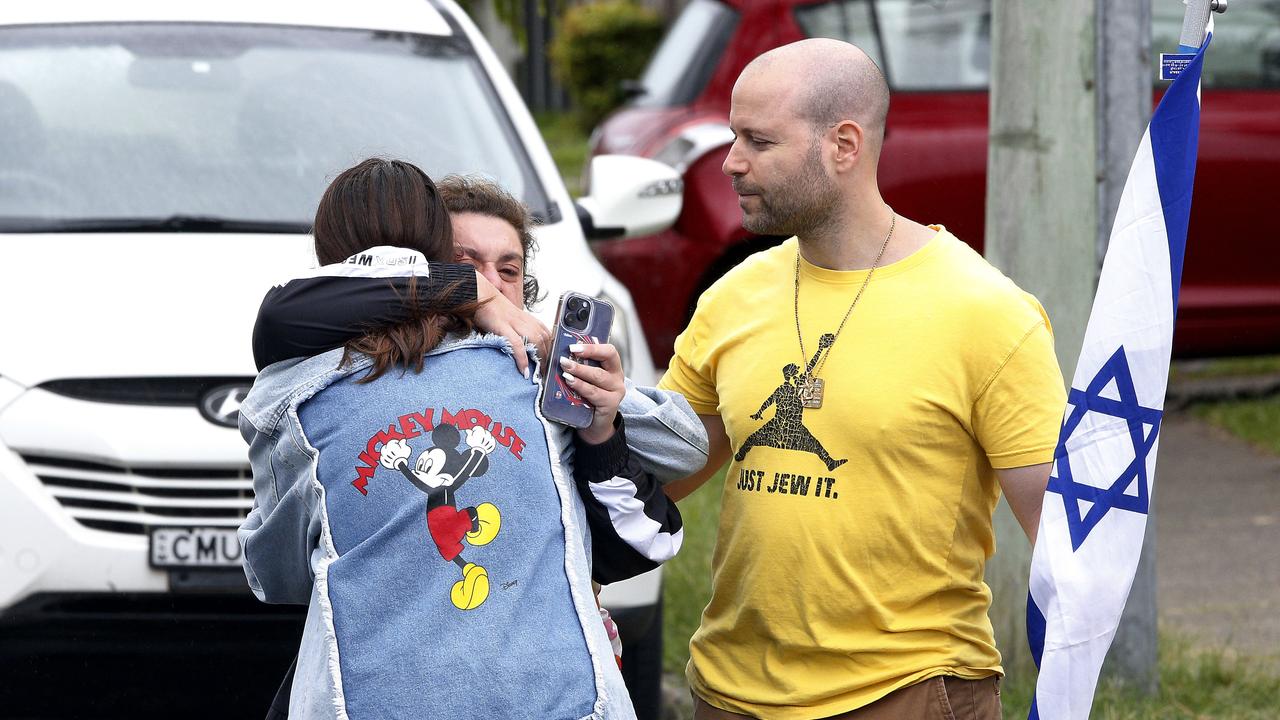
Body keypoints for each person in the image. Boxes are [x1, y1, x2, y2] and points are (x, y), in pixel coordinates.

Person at [657, 39, 1068, 719]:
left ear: (843, 145)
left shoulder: (986, 311)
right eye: (734, 137)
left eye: (758, 141)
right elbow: (664, 470)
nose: (731, 162)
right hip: (730, 691)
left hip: (907, 692)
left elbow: (1067, 535)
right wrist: (599, 413)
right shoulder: (733, 296)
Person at [238, 159, 703, 719]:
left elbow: (275, 575)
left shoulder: (293, 391)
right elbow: (687, 446)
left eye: (508, 270)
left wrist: (604, 410)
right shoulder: (533, 370)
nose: (493, 287)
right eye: (469, 267)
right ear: (435, 266)